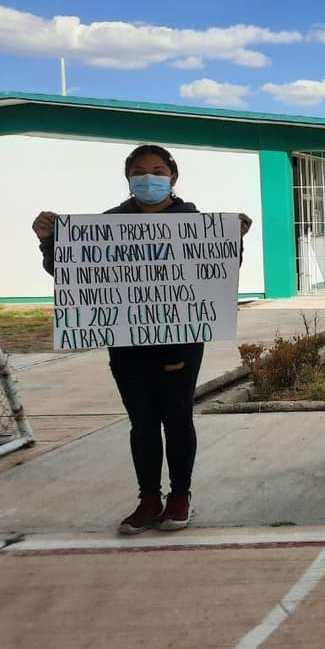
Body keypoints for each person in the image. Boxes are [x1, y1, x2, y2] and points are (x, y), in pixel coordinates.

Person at [32, 144, 252, 534]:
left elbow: (216, 272)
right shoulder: (108, 223)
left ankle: (179, 497)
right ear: (129, 177)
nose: (148, 177)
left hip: (178, 341)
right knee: (143, 423)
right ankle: (148, 499)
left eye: (157, 170)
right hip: (127, 343)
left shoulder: (193, 220)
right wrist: (49, 240)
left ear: (172, 177)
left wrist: (234, 239)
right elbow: (70, 272)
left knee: (177, 418)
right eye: (139, 170)